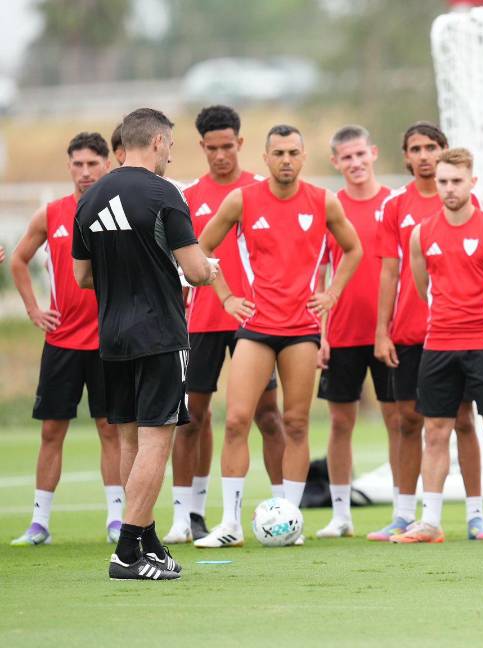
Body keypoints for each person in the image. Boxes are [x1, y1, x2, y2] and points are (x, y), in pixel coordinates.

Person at [194, 125, 362, 548]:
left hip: (302, 332)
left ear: (304, 157)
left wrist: (332, 293)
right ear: (265, 158)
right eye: (278, 153)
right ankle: (230, 524)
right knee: (235, 421)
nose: (286, 160)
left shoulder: (323, 201)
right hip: (255, 328)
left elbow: (353, 249)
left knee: (296, 423)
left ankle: (290, 522)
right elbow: (202, 247)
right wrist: (227, 296)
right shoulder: (242, 199)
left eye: (293, 152)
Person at [73, 107, 218, 580]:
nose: (171, 157)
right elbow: (195, 271)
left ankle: (149, 541)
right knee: (158, 439)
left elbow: (82, 276)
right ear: (157, 141)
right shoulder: (164, 194)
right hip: (159, 334)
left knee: (129, 439)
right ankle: (128, 551)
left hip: (112, 335)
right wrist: (209, 270)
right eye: (171, 147)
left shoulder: (90, 197)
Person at [165, 105, 285, 545]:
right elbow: (182, 261)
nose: (220, 155)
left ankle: (283, 510)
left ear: (240, 143)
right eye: (212, 148)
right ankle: (187, 515)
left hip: (255, 321)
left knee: (267, 416)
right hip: (201, 321)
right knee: (190, 417)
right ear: (202, 147)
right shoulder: (189, 196)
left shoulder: (260, 189)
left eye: (227, 146)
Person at [368, 123, 483, 541]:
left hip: (476, 337)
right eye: (416, 149)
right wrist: (383, 330)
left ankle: (482, 517)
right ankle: (413, 516)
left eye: (432, 149)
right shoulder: (402, 212)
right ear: (407, 157)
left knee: (474, 425)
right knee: (413, 422)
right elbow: (400, 274)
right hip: (420, 334)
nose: (424, 156)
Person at [394, 147, 483, 544]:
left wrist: (481, 310)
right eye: (442, 181)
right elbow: (422, 285)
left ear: (472, 182)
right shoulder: (421, 233)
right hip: (438, 344)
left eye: (456, 181)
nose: (448, 188)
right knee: (435, 431)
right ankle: (430, 521)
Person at [9, 132, 122, 546]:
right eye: (78, 164)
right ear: (69, 166)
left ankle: (116, 520)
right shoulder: (51, 214)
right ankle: (39, 523)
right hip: (61, 342)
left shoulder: (117, 213)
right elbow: (19, 260)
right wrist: (34, 309)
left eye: (93, 163)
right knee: (52, 431)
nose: (86, 172)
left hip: (109, 342)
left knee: (111, 429)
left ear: (107, 165)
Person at [313, 125, 393, 539]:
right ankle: (341, 513)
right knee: (340, 423)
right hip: (341, 333)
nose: (356, 163)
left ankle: (403, 510)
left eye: (361, 154)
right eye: (347, 157)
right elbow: (321, 273)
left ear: (374, 153)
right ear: (335, 163)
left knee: (400, 421)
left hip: (388, 334)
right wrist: (320, 333)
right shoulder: (330, 207)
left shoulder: (393, 205)